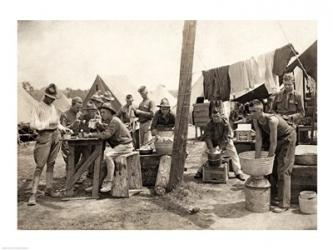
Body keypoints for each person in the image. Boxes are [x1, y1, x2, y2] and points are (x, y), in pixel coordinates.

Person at [249, 99, 297, 213]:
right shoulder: (256, 120)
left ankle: (284, 204)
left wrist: (268, 160)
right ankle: (276, 197)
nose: (252, 114)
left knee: (283, 170)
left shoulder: (272, 120)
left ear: (261, 110)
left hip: (287, 138)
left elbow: (273, 142)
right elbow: (259, 140)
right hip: (277, 140)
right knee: (273, 170)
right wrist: (257, 160)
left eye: (254, 111)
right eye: (250, 111)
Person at [28, 84, 71, 206]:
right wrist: (47, 124)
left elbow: (56, 123)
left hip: (55, 135)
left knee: (51, 163)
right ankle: (33, 194)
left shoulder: (53, 107)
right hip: (44, 135)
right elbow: (33, 124)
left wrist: (63, 128)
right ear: (45, 96)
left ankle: (49, 188)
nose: (52, 100)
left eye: (53, 98)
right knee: (40, 165)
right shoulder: (37, 106)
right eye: (50, 97)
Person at [84, 102, 134, 193]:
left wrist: (90, 135)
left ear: (110, 113)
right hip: (121, 145)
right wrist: (99, 126)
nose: (102, 114)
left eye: (104, 112)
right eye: (101, 112)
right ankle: (96, 186)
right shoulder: (111, 121)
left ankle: (109, 183)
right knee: (103, 163)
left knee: (108, 156)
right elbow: (107, 129)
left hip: (126, 145)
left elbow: (107, 134)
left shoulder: (115, 121)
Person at [194, 100, 246, 181]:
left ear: (221, 115)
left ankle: (238, 171)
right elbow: (207, 137)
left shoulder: (226, 124)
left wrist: (220, 148)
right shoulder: (209, 125)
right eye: (213, 115)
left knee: (232, 151)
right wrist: (211, 148)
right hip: (213, 141)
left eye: (217, 115)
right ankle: (200, 170)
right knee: (204, 152)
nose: (215, 117)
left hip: (224, 141)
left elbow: (226, 137)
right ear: (211, 115)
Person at [60, 97, 83, 167]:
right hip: (67, 142)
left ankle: (73, 176)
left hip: (78, 141)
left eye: (80, 108)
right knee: (69, 160)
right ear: (72, 105)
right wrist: (72, 126)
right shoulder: (65, 115)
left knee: (76, 160)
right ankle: (68, 176)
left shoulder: (79, 114)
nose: (78, 110)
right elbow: (62, 130)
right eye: (77, 108)